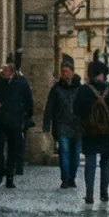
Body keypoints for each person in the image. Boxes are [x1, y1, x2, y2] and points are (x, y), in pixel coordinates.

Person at [72, 61, 109, 206]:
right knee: (106, 162)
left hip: (90, 131)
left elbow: (76, 109)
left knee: (90, 161)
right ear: (104, 74)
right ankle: (104, 193)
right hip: (107, 132)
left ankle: (89, 194)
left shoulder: (84, 90)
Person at [0, 58, 34, 188]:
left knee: (13, 149)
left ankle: (10, 177)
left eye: (6, 70)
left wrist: (24, 116)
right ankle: (0, 173)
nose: (3, 71)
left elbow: (29, 101)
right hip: (0, 120)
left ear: (12, 72)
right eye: (3, 69)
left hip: (15, 121)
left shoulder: (21, 83)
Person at [41, 60, 83, 190]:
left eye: (67, 71)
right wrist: (47, 124)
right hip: (62, 124)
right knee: (64, 152)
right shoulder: (56, 88)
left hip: (78, 126)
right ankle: (65, 179)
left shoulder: (80, 88)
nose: (64, 74)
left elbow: (85, 107)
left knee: (75, 154)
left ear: (72, 72)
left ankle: (72, 178)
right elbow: (50, 107)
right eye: (63, 72)